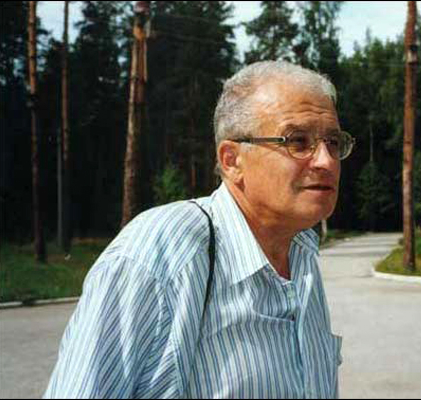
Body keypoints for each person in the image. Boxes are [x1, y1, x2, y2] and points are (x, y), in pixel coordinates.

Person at [44, 60, 356, 399]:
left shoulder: (302, 250)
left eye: (333, 142)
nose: (326, 161)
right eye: (297, 141)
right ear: (232, 160)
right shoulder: (162, 253)